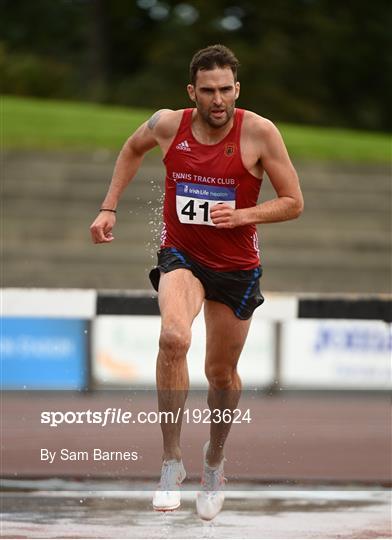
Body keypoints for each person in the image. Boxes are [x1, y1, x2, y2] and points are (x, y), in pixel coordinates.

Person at [90, 44, 303, 520]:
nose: (218, 100)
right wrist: (109, 205)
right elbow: (131, 148)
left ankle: (214, 459)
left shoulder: (261, 133)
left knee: (221, 375)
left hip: (236, 267)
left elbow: (293, 202)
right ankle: (170, 462)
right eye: (207, 91)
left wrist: (244, 213)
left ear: (237, 89)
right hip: (182, 256)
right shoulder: (168, 124)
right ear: (193, 92)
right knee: (173, 337)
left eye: (226, 89)